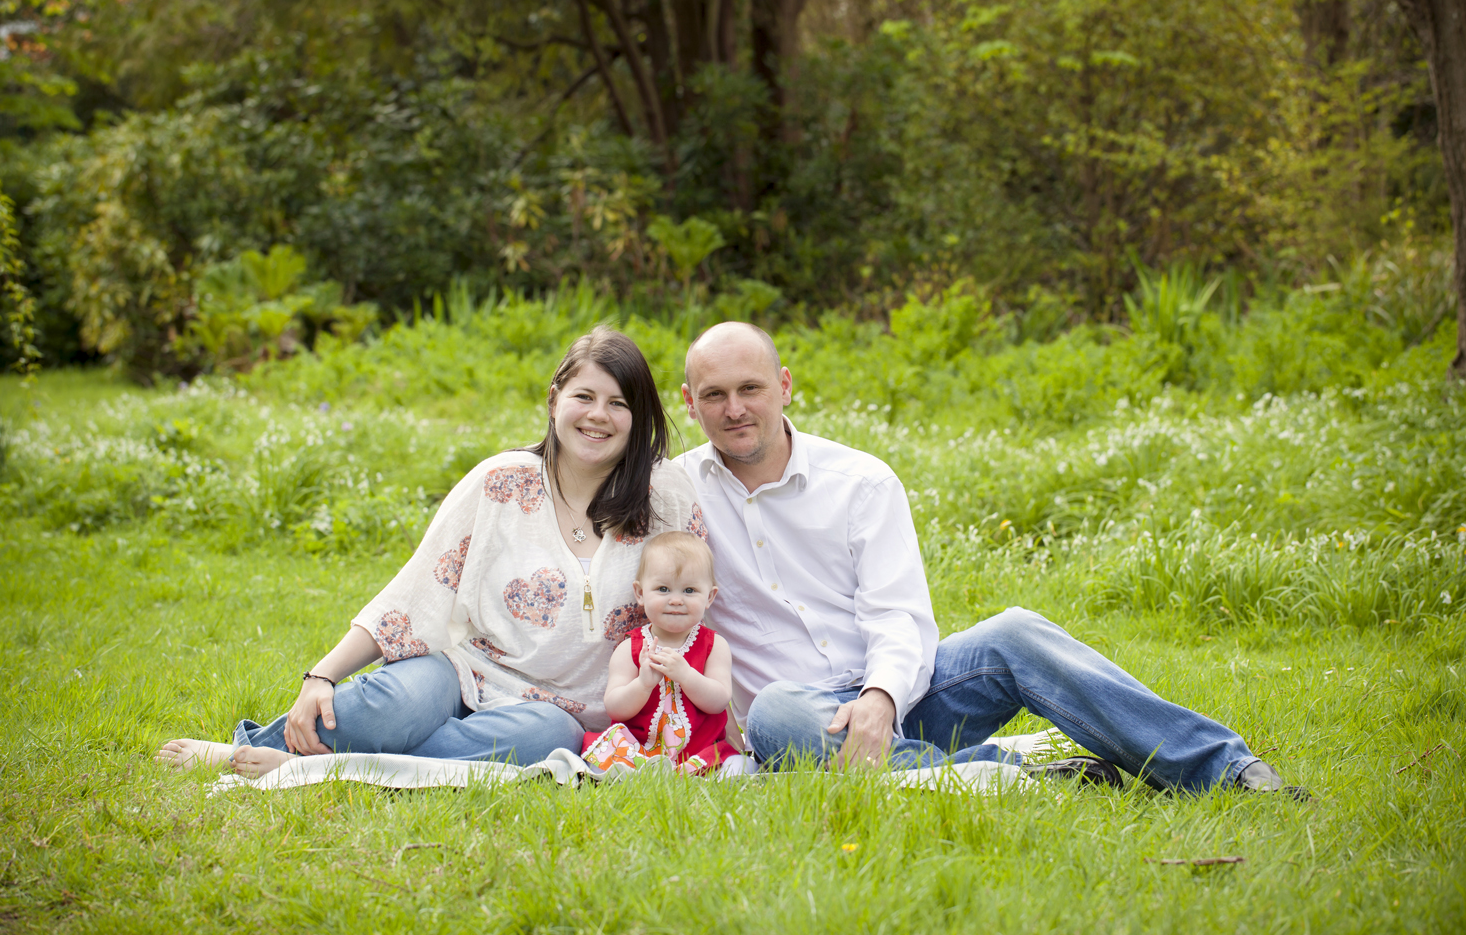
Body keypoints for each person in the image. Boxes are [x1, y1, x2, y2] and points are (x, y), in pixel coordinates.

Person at [676, 321, 1300, 794]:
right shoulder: (674, 494)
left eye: (750, 388)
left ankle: (1225, 769)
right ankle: (1018, 774)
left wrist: (880, 699)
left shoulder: (861, 481)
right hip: (800, 720)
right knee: (775, 711)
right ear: (688, 402)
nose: (735, 409)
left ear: (784, 386)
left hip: (904, 702)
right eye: (715, 395)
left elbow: (898, 616)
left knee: (1016, 633)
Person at [158, 326, 708, 777]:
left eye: (618, 403)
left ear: (637, 418)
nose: (598, 415)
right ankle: (244, 750)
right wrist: (320, 675)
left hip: (558, 715)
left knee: (548, 737)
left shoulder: (666, 499)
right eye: (583, 397)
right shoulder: (498, 484)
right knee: (395, 705)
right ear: (554, 400)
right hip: (466, 672)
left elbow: (704, 601)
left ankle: (317, 767)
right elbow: (415, 591)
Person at [581, 531, 739, 775]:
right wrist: (643, 685)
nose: (676, 600)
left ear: (709, 597)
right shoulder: (630, 648)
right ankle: (630, 775)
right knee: (602, 757)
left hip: (699, 748)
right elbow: (614, 707)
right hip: (639, 750)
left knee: (736, 766)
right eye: (663, 589)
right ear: (640, 593)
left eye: (689, 591)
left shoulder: (714, 646)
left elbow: (718, 702)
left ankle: (701, 776)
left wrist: (686, 676)